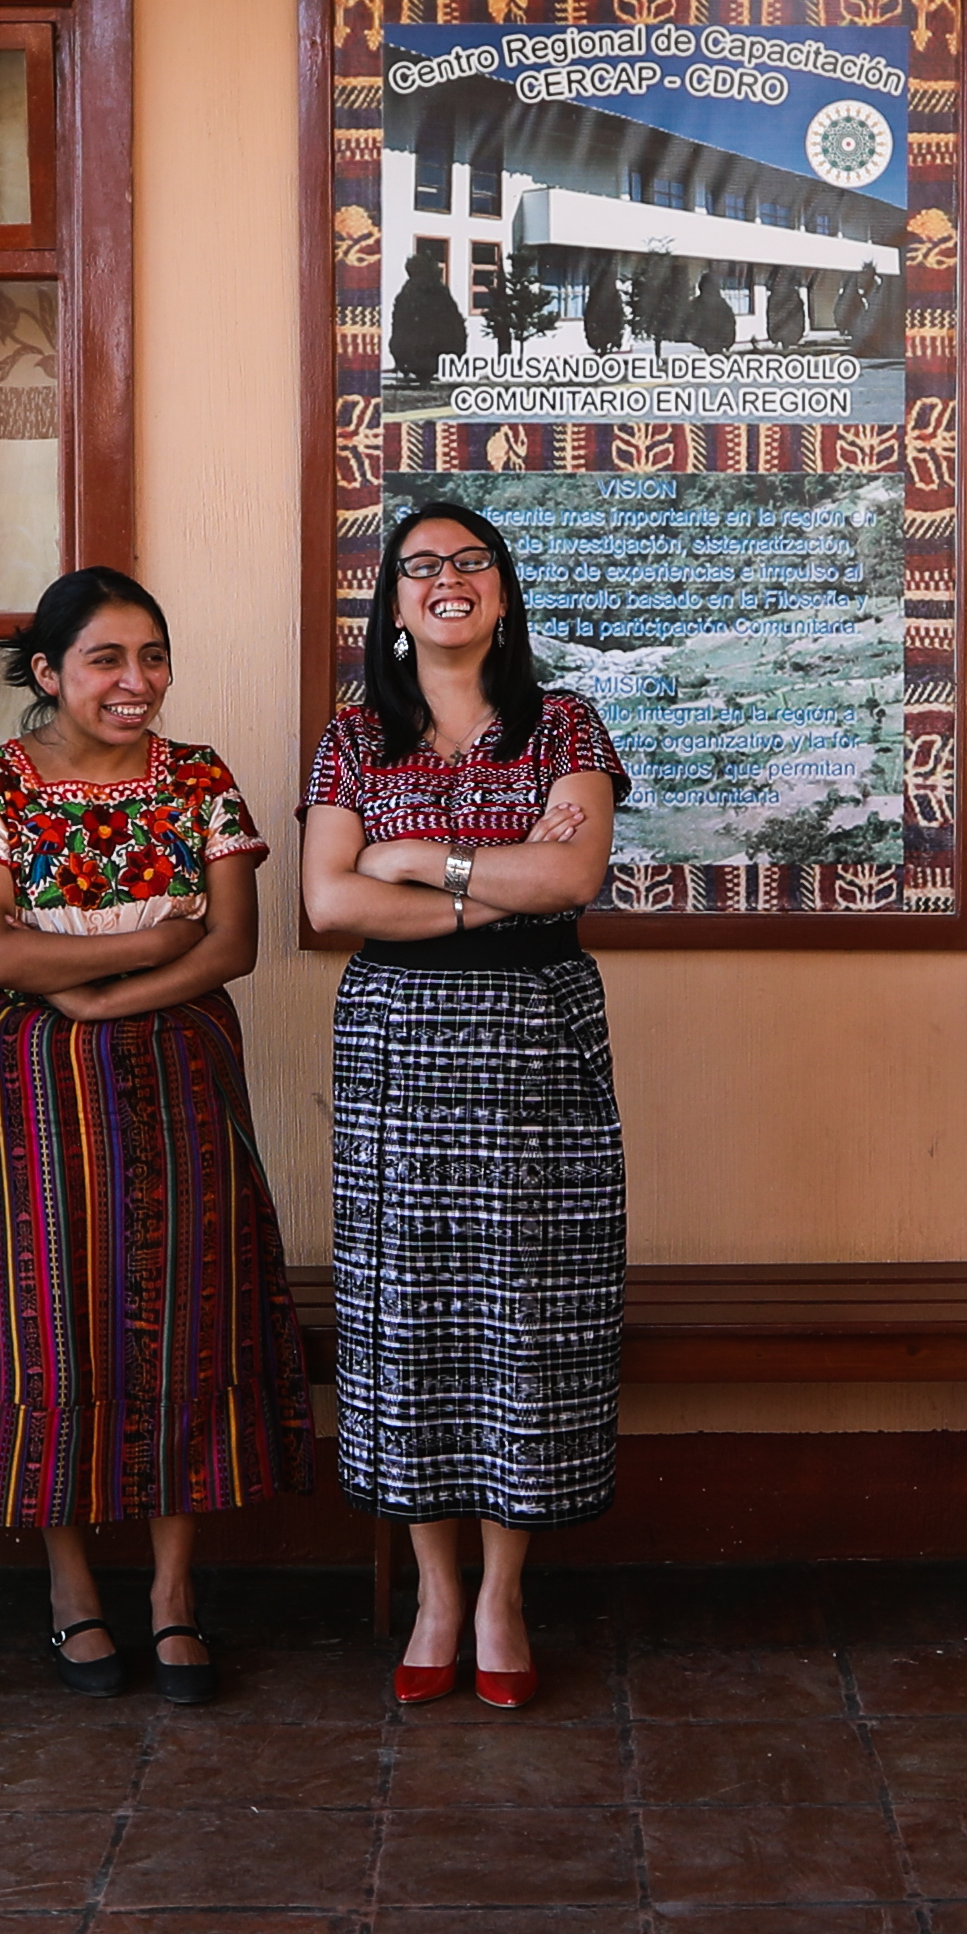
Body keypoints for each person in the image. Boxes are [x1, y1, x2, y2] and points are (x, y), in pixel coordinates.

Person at [0, 563, 305, 1700]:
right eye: (106, 658)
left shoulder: (198, 778)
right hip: (31, 1086)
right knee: (49, 1319)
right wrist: (149, 947)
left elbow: (233, 944)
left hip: (181, 1072)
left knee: (189, 1311)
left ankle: (175, 1594)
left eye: (152, 656)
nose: (135, 679)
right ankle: (72, 1590)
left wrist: (93, 986)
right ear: (49, 672)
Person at [299, 497, 628, 1705]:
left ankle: (503, 1594)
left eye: (471, 563)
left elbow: (575, 873)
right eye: (422, 567)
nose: (448, 580)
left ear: (501, 593)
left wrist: (418, 862)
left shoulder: (565, 725)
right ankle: (435, 1593)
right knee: (412, 1320)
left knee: (525, 1322)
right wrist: (496, 887)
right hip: (397, 1055)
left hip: (537, 1053)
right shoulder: (352, 739)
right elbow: (329, 906)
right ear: (392, 603)